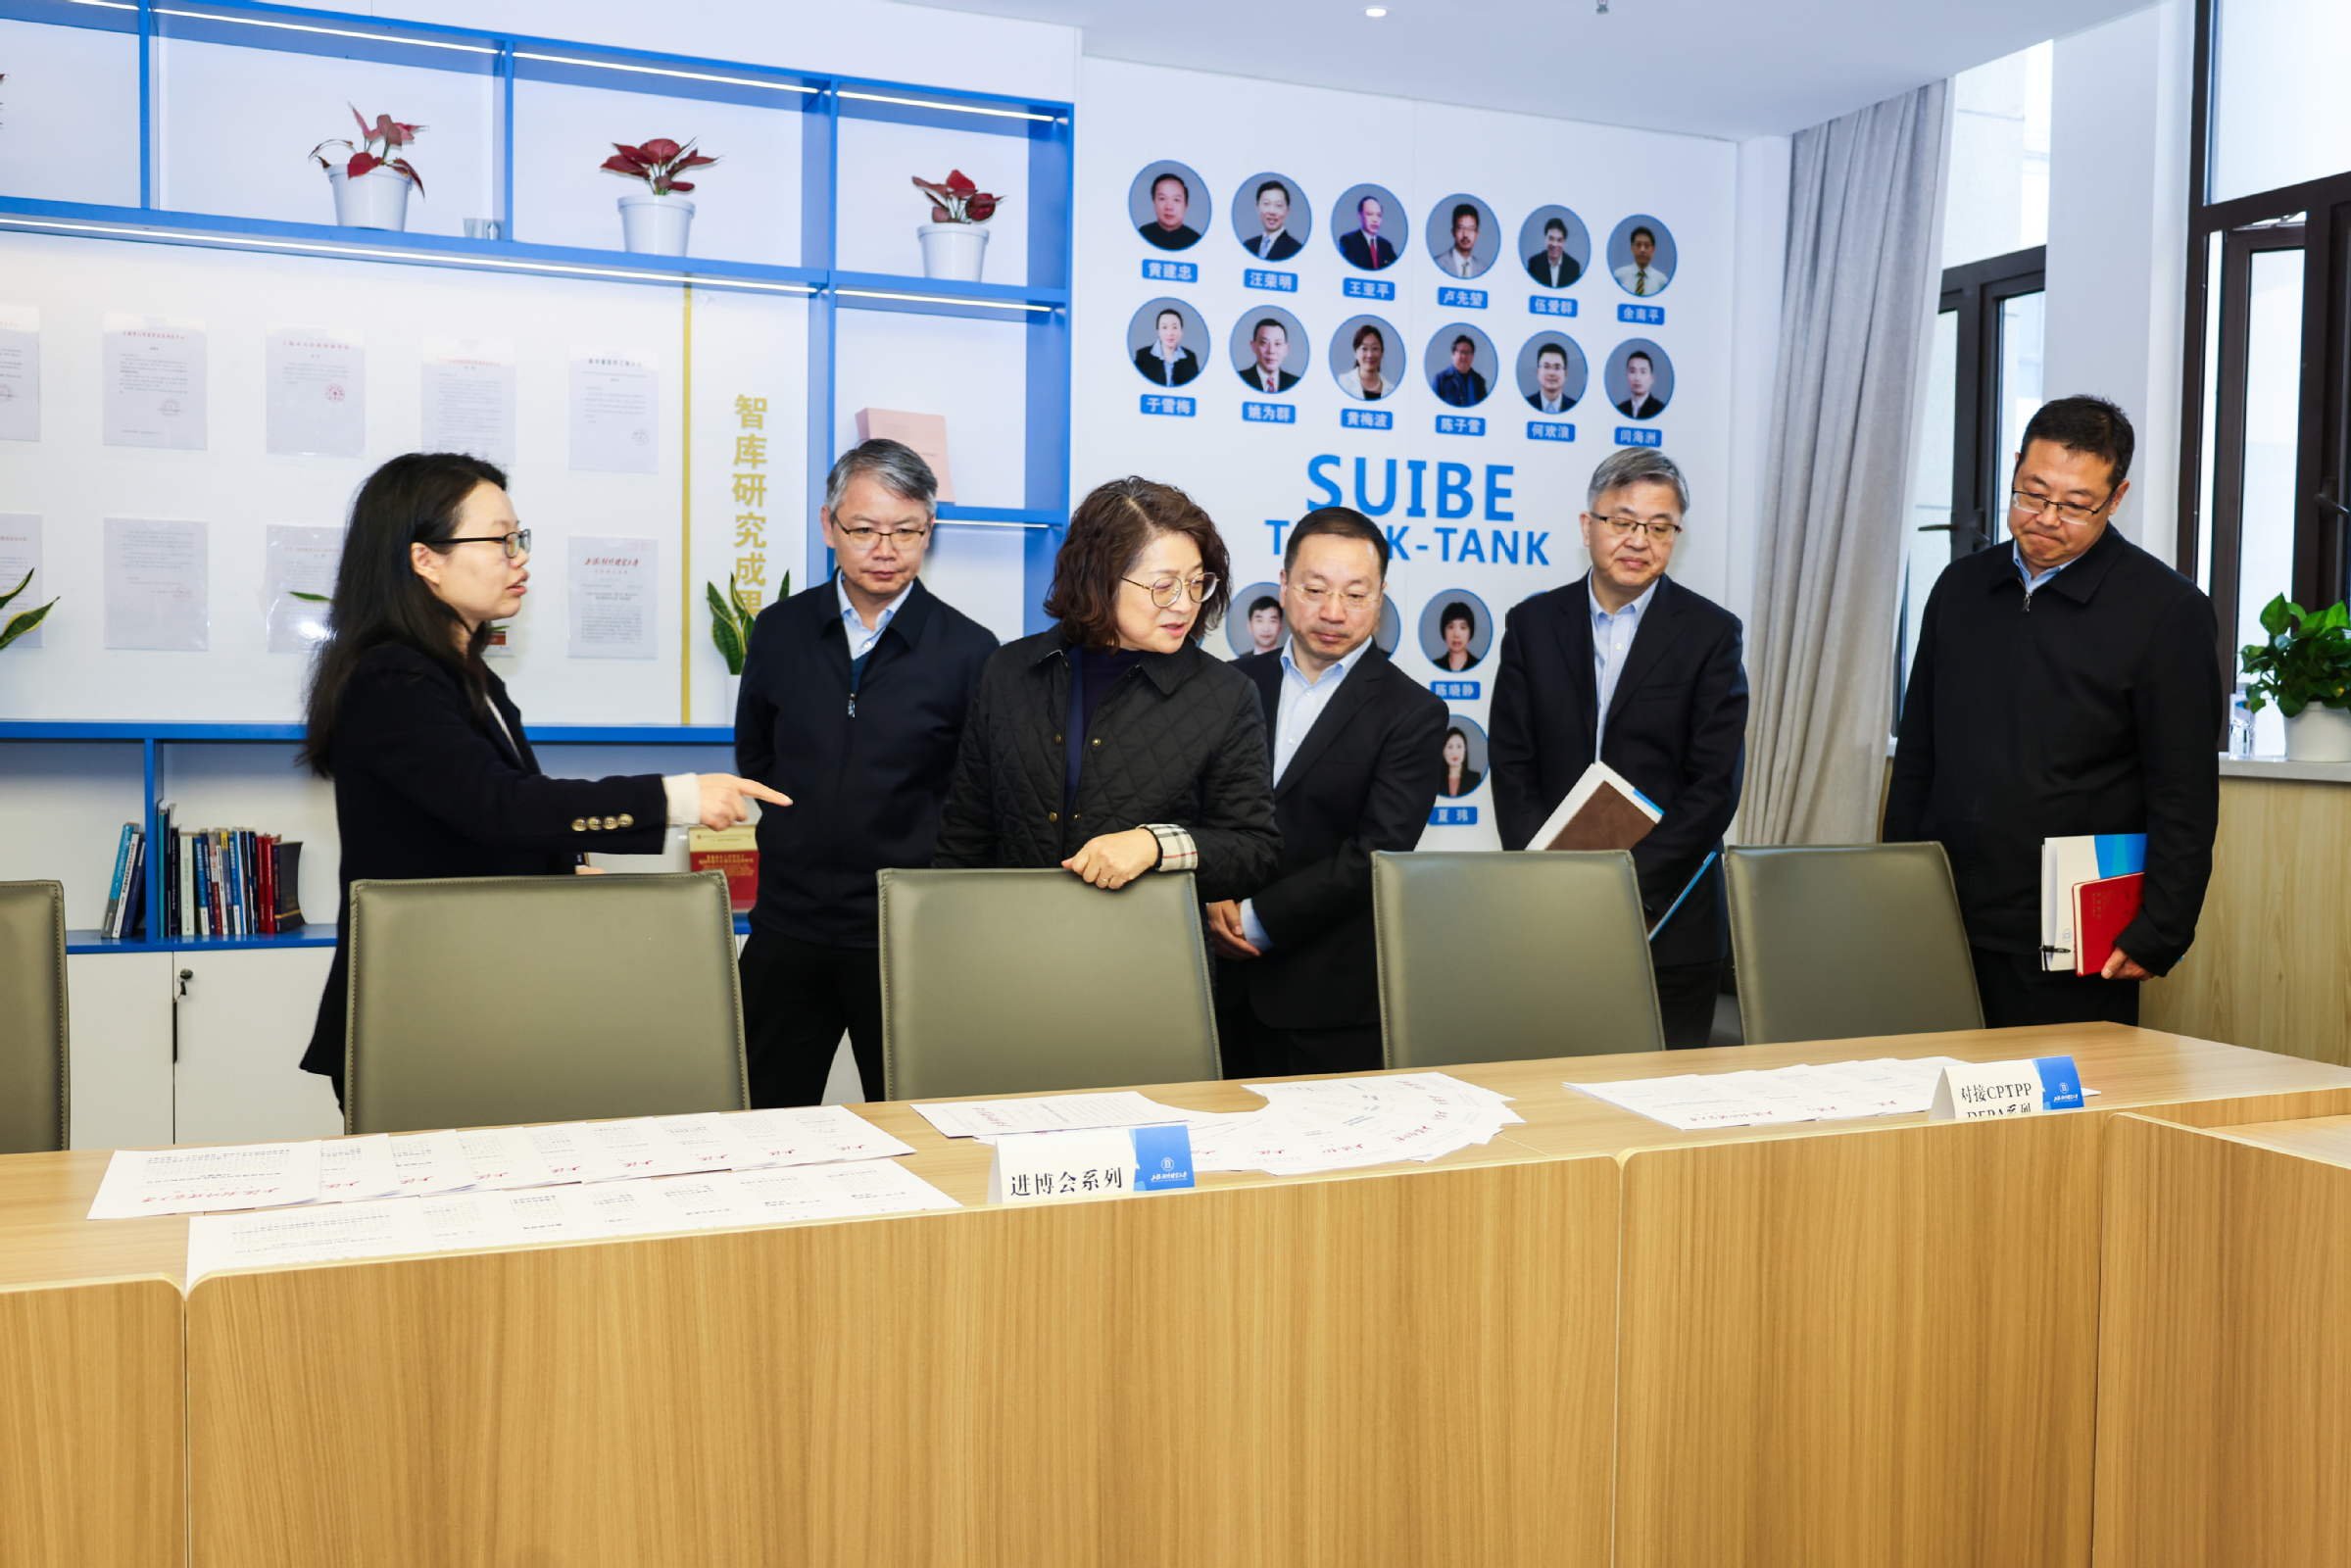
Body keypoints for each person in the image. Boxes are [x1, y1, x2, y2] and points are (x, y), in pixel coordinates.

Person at [294, 453, 787, 1105]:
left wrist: (563, 872)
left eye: (519, 538)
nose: (519, 557)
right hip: (419, 1017)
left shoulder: (464, 674)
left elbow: (481, 823)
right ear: (425, 559)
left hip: (480, 998)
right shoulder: (393, 678)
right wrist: (679, 796)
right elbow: (498, 807)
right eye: (500, 540)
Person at [1885, 396, 2222, 1027]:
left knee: (2059, 1089)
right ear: (2016, 467)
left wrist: (2162, 925)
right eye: (2032, 493)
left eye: (2074, 504)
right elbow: (1919, 753)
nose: (2045, 518)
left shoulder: (2166, 611)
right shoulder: (1960, 587)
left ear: (2116, 499)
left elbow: (2184, 789)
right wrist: (1894, 877)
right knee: (1928, 1079)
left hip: (2073, 929)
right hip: (1941, 907)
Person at [733, 440, 999, 1108]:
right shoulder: (779, 631)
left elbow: (973, 793)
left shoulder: (970, 650)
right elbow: (757, 756)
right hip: (787, 926)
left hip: (904, 932)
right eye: (864, 530)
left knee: (917, 1117)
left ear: (928, 531)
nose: (885, 549)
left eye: (906, 531)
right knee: (761, 1115)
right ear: (829, 527)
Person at [1489, 447, 1747, 1050]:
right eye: (1623, 521)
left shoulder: (1711, 634)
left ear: (1677, 535)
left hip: (1672, 918)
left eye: (1660, 527)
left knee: (1667, 1094)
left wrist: (1624, 887)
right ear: (1588, 526)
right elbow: (1513, 765)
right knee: (1554, 1084)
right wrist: (1550, 879)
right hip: (1552, 913)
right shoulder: (1532, 624)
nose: (1639, 540)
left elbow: (1714, 786)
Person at [933, 477, 1278, 904]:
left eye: (1195, 583)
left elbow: (1254, 853)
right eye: (1164, 586)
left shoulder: (1226, 695)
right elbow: (965, 833)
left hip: (1146, 939)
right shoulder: (1009, 671)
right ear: (1099, 579)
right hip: (1015, 930)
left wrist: (1156, 846)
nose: (1185, 604)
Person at [1205, 507, 1445, 1078]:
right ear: (1284, 586)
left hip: (1328, 1003)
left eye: (1356, 595)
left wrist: (1254, 918)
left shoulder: (1413, 712)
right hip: (1214, 990)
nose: (1333, 612)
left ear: (1380, 598)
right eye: (1314, 590)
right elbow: (1196, 810)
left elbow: (1377, 851)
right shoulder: (1229, 685)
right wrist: (1211, 897)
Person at [1134, 308, 1199, 387]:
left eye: (1174, 327)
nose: (1170, 333)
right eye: (1164, 327)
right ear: (1158, 331)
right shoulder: (1143, 356)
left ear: (1181, 331)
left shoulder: (1190, 357)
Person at [1139, 172, 1200, 250]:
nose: (1169, 207)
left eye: (1176, 200)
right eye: (1162, 198)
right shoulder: (1141, 234)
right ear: (1154, 202)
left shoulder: (1196, 240)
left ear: (1186, 205)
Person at [1246, 178, 1302, 262]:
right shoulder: (1247, 246)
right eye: (1266, 204)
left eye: (1279, 205)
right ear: (1257, 207)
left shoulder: (1296, 250)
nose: (1272, 211)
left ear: (1287, 211)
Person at [1339, 194, 1398, 270]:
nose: (1375, 220)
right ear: (1360, 216)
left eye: (1378, 215)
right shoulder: (1348, 241)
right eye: (1370, 214)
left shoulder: (1386, 246)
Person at [1240, 318, 1300, 393]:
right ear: (1253, 346)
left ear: (1286, 349)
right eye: (1264, 343)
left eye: (1277, 344)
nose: (1271, 351)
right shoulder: (1239, 379)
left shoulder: (1297, 383)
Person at [1338, 323, 1396, 401]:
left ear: (1382, 353)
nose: (1369, 355)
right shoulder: (1342, 382)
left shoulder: (1392, 389)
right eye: (1364, 348)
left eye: (1375, 348)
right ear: (1355, 353)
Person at [1613, 225, 1670, 295]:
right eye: (1638, 245)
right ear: (1632, 248)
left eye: (1647, 246)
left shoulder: (1661, 281)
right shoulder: (1619, 276)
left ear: (1653, 250)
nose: (1642, 250)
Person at [1434, 334, 1488, 408]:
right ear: (1453, 354)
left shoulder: (1479, 381)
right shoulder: (1441, 380)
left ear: (1472, 356)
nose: (1464, 356)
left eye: (1468, 352)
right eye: (1461, 352)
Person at [1527, 217, 1581, 287]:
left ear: (1564, 243)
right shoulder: (1534, 263)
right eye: (1551, 239)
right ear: (1545, 240)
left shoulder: (1573, 267)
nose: (1555, 244)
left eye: (1559, 240)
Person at [1527, 343, 1576, 415]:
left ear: (1565, 374)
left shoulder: (1576, 407)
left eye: (1557, 367)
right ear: (1538, 372)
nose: (1551, 373)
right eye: (1546, 367)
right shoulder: (1525, 404)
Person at [1615, 350, 1665, 419]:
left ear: (1651, 378)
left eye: (1643, 372)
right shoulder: (1619, 409)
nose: (1637, 378)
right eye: (1632, 371)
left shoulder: (1661, 410)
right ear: (1627, 376)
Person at [1443, 202, 1483, 278]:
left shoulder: (1484, 269)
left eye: (1471, 228)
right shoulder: (1437, 263)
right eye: (1460, 228)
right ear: (1453, 232)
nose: (1465, 235)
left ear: (1477, 234)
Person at [1437, 601, 1480, 671]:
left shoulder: (1479, 665)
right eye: (1451, 627)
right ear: (1443, 631)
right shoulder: (1435, 666)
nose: (1456, 634)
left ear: (1470, 632)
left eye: (1463, 628)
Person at [1439, 727, 1481, 797]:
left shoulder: (1475, 779)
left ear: (1465, 750)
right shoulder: (1436, 779)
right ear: (1443, 752)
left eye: (1459, 746)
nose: (1455, 752)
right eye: (1450, 747)